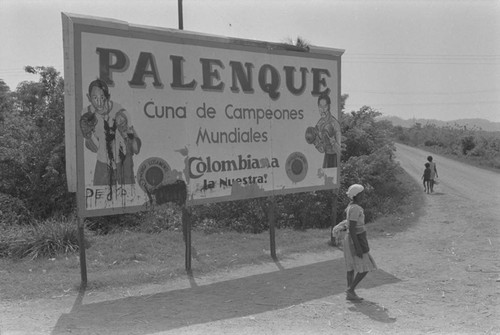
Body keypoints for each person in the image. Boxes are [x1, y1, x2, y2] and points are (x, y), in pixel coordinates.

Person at [79, 79, 141, 186]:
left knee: (128, 196)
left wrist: (128, 133)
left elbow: (135, 147)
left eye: (102, 97)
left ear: (108, 96)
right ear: (88, 97)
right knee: (101, 199)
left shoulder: (119, 110)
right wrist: (88, 135)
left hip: (123, 162)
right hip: (103, 163)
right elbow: (94, 148)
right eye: (95, 98)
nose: (99, 102)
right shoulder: (86, 114)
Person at [343, 184, 377, 301]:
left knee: (350, 266)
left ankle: (350, 293)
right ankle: (351, 289)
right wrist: (357, 247)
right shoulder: (356, 209)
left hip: (350, 238)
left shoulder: (350, 207)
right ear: (357, 195)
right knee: (366, 266)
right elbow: (352, 228)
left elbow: (349, 225)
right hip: (356, 239)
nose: (364, 195)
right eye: (362, 193)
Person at [305, 93, 341, 168]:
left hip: (335, 160)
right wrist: (315, 141)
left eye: (325, 106)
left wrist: (334, 143)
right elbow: (322, 150)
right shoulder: (319, 124)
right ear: (318, 107)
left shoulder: (335, 124)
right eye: (320, 107)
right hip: (327, 158)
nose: (323, 110)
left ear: (329, 106)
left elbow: (340, 151)